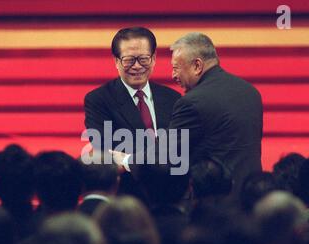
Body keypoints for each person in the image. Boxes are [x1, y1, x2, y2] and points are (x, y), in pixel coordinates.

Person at [112, 32, 263, 202]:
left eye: (176, 68)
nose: (173, 75)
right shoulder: (250, 92)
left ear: (197, 66)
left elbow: (165, 153)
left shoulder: (193, 102)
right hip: (254, 198)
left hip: (217, 203)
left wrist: (126, 161)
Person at [84, 27, 181, 199]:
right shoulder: (99, 100)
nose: (137, 66)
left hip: (170, 195)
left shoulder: (172, 98)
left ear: (154, 59)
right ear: (116, 61)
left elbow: (179, 148)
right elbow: (105, 154)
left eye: (143, 59)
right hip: (127, 198)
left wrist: (128, 160)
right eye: (129, 60)